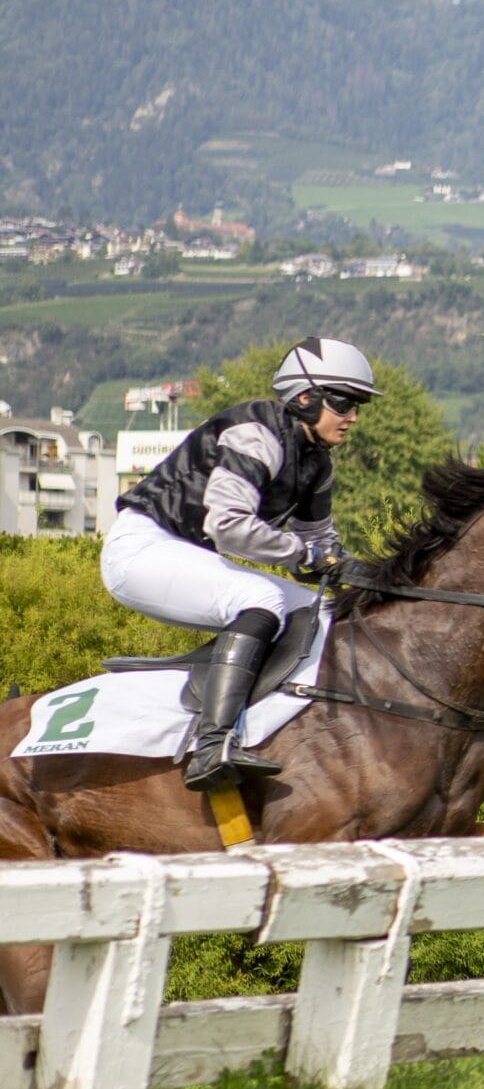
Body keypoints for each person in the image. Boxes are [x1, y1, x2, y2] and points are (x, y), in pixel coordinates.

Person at [102, 337, 375, 790]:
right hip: (141, 549)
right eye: (344, 403)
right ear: (304, 396)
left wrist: (360, 574)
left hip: (187, 554)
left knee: (323, 612)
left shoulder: (317, 464)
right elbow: (229, 526)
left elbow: (319, 546)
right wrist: (306, 556)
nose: (353, 418)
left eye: (358, 405)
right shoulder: (257, 433)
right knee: (261, 596)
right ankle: (214, 744)